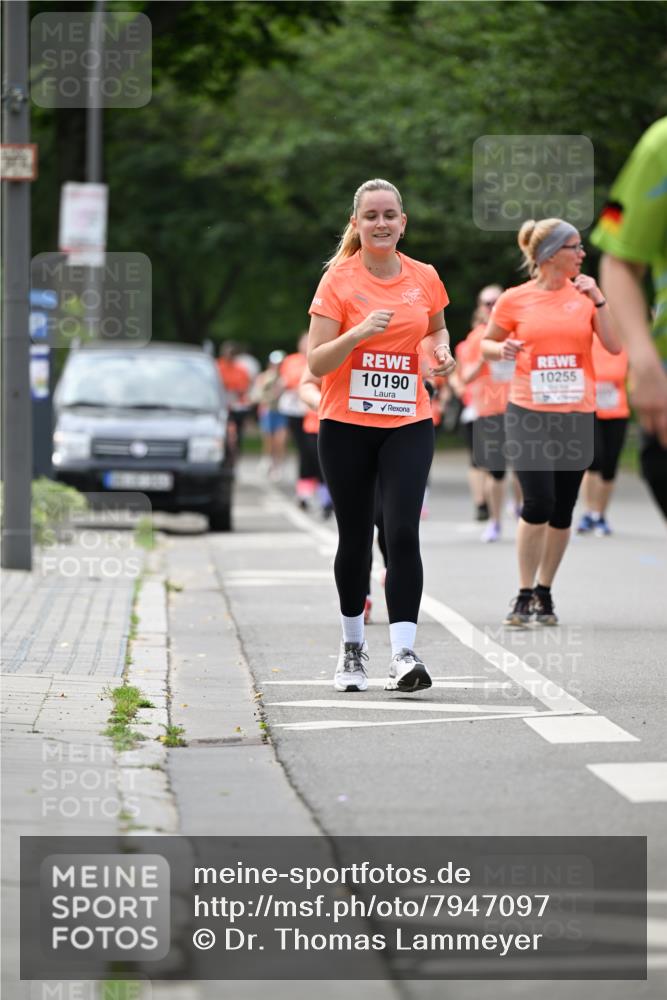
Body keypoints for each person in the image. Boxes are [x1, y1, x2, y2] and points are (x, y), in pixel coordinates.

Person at [307, 178, 455, 692]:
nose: (381, 223)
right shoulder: (337, 282)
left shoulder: (425, 277)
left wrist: (440, 352)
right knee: (354, 537)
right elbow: (317, 361)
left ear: (403, 222)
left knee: (401, 532)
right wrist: (358, 333)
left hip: (408, 422)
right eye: (371, 216)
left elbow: (436, 328)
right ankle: (352, 650)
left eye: (390, 214)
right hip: (346, 425)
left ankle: (404, 654)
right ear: (357, 224)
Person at [481, 218, 622, 627]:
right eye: (574, 247)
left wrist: (599, 300)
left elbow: (613, 345)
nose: (582, 254)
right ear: (549, 255)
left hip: (576, 413)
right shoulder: (514, 299)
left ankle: (545, 589)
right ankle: (524, 592)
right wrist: (501, 347)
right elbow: (488, 344)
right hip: (528, 411)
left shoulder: (586, 297)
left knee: (562, 508)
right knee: (537, 501)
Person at [590, 116, 667, 520]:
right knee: (597, 463)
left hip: (615, 404)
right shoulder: (661, 145)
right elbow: (619, 258)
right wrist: (645, 361)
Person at [576, 339, 630, 536]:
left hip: (617, 411)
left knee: (610, 465)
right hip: (590, 409)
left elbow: (625, 372)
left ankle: (600, 515)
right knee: (594, 458)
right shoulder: (587, 339)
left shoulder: (623, 342)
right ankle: (589, 511)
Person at [251, 350, 289, 481]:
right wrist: (269, 394)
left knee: (280, 440)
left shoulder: (285, 377)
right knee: (269, 440)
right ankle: (268, 461)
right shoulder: (264, 377)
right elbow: (257, 395)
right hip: (268, 411)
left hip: (282, 411)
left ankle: (279, 465)